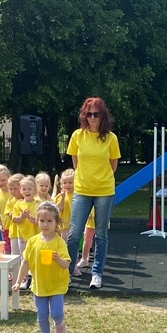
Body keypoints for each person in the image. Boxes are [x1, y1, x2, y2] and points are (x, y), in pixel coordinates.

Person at [64, 98, 120, 290]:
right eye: (89, 114)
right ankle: (68, 272)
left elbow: (113, 165)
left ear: (103, 116)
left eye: (96, 114)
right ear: (84, 116)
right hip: (82, 190)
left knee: (101, 234)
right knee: (74, 234)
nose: (93, 117)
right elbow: (75, 162)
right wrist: (84, 178)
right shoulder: (77, 136)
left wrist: (100, 178)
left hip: (104, 190)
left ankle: (97, 273)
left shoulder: (111, 138)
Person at [12, 201, 71, 333]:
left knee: (56, 313)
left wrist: (58, 259)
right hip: (39, 285)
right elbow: (25, 263)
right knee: (42, 314)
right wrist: (18, 281)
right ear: (37, 221)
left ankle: (59, 324)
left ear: (56, 222)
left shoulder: (59, 242)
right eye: (42, 221)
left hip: (56, 284)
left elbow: (66, 264)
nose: (45, 224)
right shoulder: (32, 242)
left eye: (49, 221)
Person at [11, 175, 40, 290]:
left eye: (29, 189)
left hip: (36, 236)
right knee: (24, 258)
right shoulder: (18, 204)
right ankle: (23, 279)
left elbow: (43, 221)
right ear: (21, 190)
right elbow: (14, 219)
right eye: (24, 189)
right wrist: (22, 217)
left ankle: (35, 280)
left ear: (35, 190)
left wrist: (35, 221)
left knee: (35, 258)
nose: (27, 191)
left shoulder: (38, 204)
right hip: (22, 236)